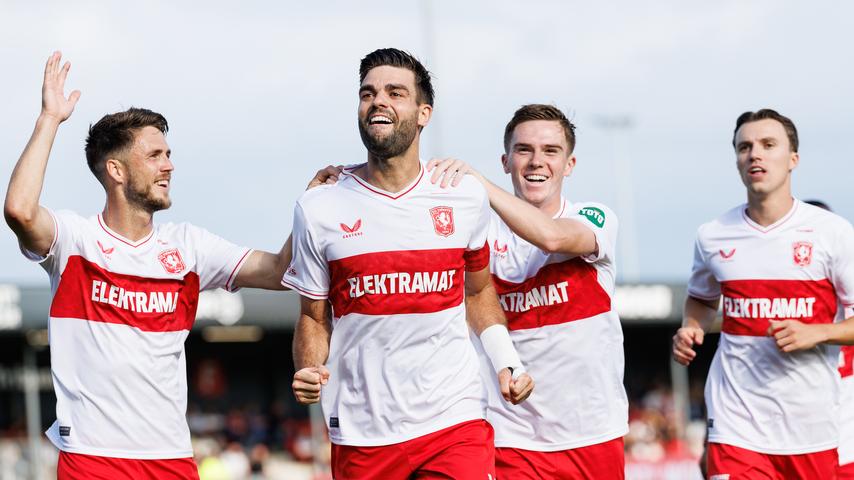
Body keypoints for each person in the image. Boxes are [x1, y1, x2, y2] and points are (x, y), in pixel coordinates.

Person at [4, 52, 295, 479]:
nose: (169, 165)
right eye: (155, 155)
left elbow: (278, 271)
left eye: (168, 153)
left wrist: (315, 208)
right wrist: (49, 119)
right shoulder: (76, 242)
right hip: (92, 459)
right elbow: (20, 211)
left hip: (170, 459)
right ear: (116, 170)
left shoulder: (190, 247)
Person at [283, 48, 534, 479]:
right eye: (368, 93)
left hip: (453, 419)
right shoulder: (318, 206)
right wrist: (307, 366)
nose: (378, 101)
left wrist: (506, 360)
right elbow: (313, 316)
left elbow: (477, 291)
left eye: (394, 93)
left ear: (423, 114)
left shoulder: (462, 196)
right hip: (364, 430)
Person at [427, 104, 628, 479]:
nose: (537, 162)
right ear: (506, 160)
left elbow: (551, 236)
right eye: (524, 150)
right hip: (510, 439)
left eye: (551, 151)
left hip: (593, 433)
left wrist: (480, 185)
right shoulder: (477, 234)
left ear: (569, 164)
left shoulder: (594, 217)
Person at [672, 109, 854, 479]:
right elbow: (702, 300)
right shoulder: (713, 234)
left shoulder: (832, 232)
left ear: (792, 159)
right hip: (736, 424)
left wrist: (817, 332)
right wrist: (692, 325)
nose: (754, 154)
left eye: (768, 145)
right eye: (745, 147)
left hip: (811, 428)